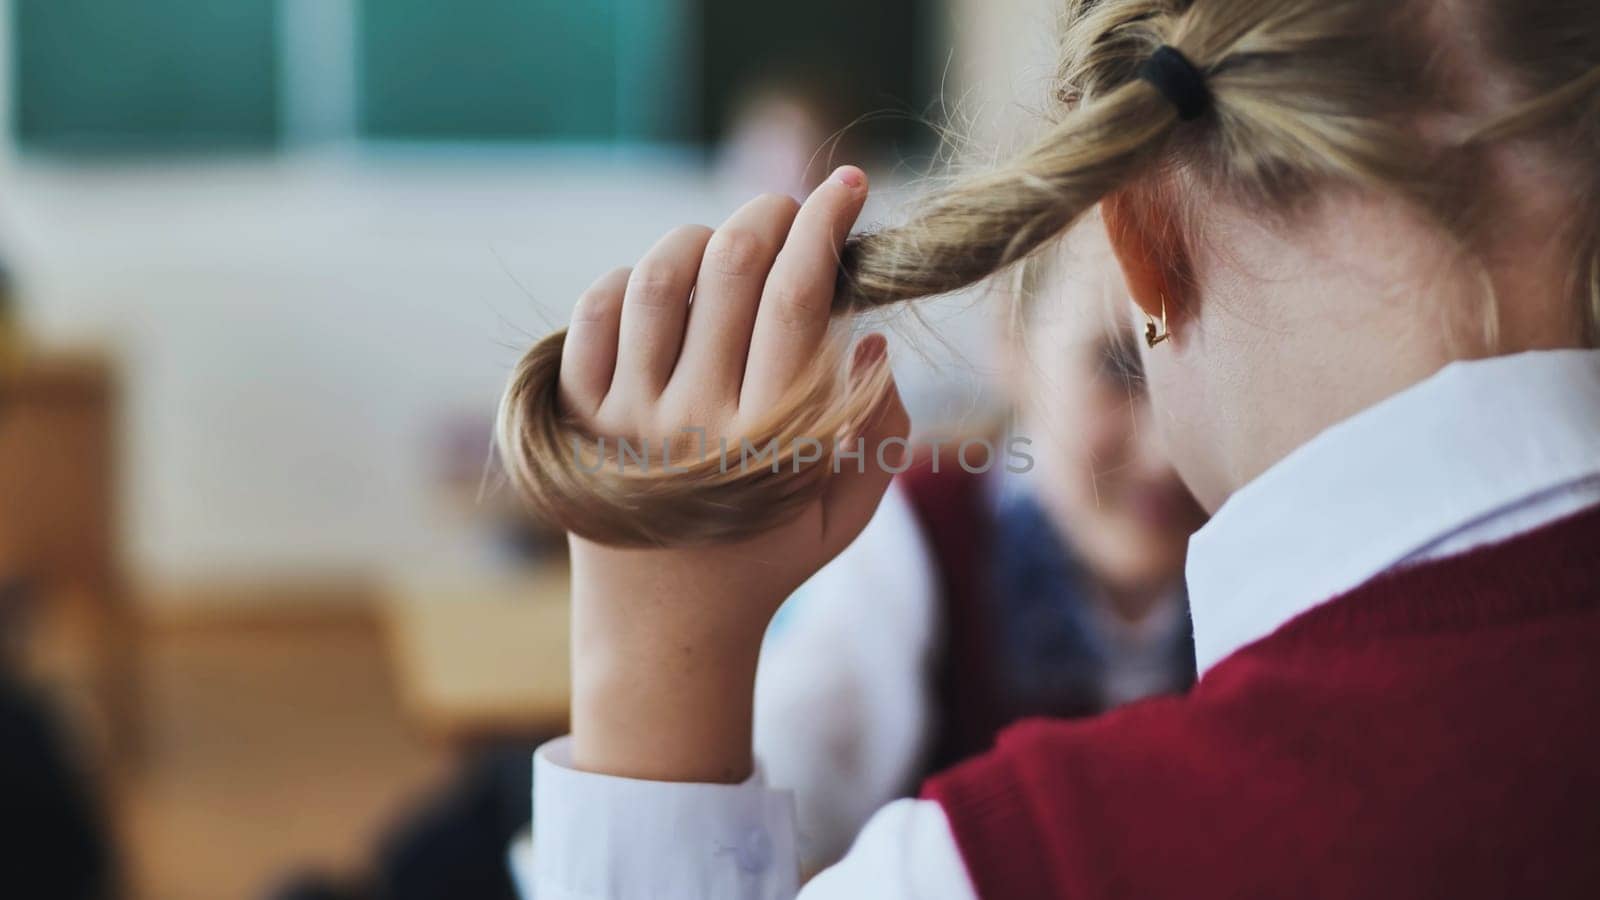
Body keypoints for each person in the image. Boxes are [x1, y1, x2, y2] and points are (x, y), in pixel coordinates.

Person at [496, 0, 1600, 896]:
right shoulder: (925, 545)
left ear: (1145, 248)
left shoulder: (1014, 864)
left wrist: (646, 671)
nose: (1159, 455)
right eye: (1110, 371)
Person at [753, 225, 1205, 871]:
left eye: (1203, 378)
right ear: (1014, 339)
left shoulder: (1288, 571)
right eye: (1119, 364)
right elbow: (766, 840)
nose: (1165, 455)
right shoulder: (913, 537)